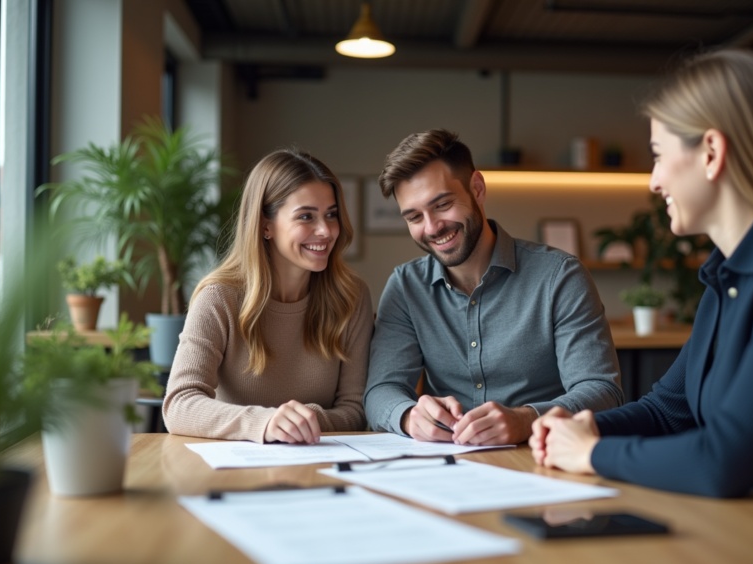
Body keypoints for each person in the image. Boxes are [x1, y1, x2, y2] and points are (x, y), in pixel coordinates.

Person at [530, 49, 753, 521]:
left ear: (711, 152)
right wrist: (575, 427)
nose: (653, 182)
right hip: (739, 532)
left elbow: (724, 460)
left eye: (658, 155)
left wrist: (590, 453)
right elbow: (667, 412)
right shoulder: (725, 273)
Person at [364, 129, 623, 446]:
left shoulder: (560, 276)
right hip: (445, 466)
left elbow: (603, 392)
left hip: (544, 458)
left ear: (477, 188)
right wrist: (408, 415)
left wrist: (526, 420)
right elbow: (380, 391)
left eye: (442, 204)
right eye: (414, 216)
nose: (431, 227)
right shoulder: (405, 287)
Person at [163, 149, 373, 444]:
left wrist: (303, 421)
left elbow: (356, 410)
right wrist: (265, 423)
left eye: (331, 215)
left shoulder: (351, 297)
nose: (325, 230)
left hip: (320, 465)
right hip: (234, 470)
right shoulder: (218, 297)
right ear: (265, 225)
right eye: (306, 216)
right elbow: (179, 404)